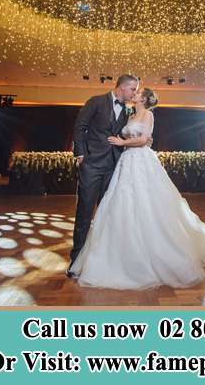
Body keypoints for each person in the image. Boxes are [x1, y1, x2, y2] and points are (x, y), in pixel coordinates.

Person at [69, 87, 205, 289]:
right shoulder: (130, 114)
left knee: (149, 204)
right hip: (126, 163)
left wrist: (122, 143)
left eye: (138, 93)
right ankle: (121, 253)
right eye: (133, 91)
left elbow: (145, 138)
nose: (134, 94)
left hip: (141, 160)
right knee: (123, 205)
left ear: (145, 99)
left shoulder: (148, 114)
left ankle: (155, 251)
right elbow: (137, 136)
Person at [68, 74, 139, 276]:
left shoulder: (129, 110)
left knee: (108, 215)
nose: (135, 93)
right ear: (122, 87)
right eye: (133, 89)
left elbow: (125, 134)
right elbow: (79, 127)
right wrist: (80, 155)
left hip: (114, 168)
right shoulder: (96, 102)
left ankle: (102, 260)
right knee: (84, 214)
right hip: (91, 166)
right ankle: (76, 262)